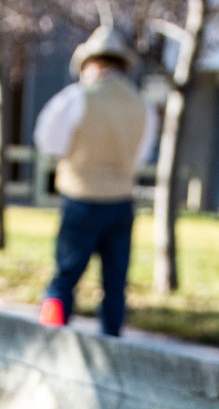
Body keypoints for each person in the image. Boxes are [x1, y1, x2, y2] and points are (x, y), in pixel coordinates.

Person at [33, 26, 154, 336]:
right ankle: (111, 344)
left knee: (64, 276)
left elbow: (48, 141)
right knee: (114, 285)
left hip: (81, 196)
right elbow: (142, 152)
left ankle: (52, 338)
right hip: (121, 200)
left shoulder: (77, 97)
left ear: (90, 63)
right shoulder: (141, 104)